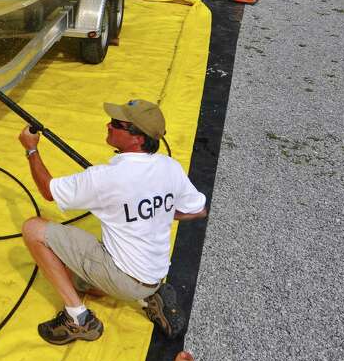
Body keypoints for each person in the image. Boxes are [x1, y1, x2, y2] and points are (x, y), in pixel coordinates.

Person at [19, 99, 208, 345]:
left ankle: (78, 318)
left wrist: (31, 149)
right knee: (78, 277)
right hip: (154, 273)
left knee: (33, 229)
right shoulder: (170, 167)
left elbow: (48, 190)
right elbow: (199, 210)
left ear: (137, 138)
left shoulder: (106, 178)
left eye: (118, 124)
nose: (109, 124)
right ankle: (149, 295)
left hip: (125, 279)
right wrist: (160, 210)